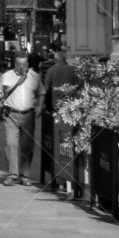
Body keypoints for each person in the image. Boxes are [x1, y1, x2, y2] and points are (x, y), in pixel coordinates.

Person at [0, 53, 46, 186]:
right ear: (14, 64)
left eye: (24, 64)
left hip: (29, 115)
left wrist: (40, 106)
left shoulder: (35, 77)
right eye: (19, 64)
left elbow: (41, 93)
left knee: (27, 146)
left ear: (28, 64)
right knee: (11, 144)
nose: (22, 67)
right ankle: (12, 174)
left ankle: (25, 175)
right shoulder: (6, 76)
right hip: (10, 115)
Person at [40, 49, 78, 189]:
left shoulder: (51, 71)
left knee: (58, 140)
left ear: (56, 59)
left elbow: (45, 89)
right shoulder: (72, 69)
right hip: (71, 108)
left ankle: (60, 177)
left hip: (56, 109)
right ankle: (68, 178)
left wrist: (41, 105)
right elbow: (78, 87)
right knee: (68, 140)